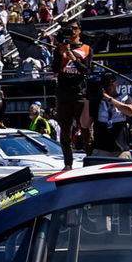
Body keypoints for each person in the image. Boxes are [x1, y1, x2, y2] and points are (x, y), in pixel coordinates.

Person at [51, 21, 91, 168]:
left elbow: (86, 70)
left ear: (79, 30)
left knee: (86, 129)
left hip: (80, 92)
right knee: (65, 130)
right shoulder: (60, 48)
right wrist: (60, 54)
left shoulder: (86, 48)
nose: (72, 32)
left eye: (74, 29)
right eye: (69, 29)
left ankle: (90, 160)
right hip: (63, 93)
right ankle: (68, 163)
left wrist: (73, 58)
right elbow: (55, 69)